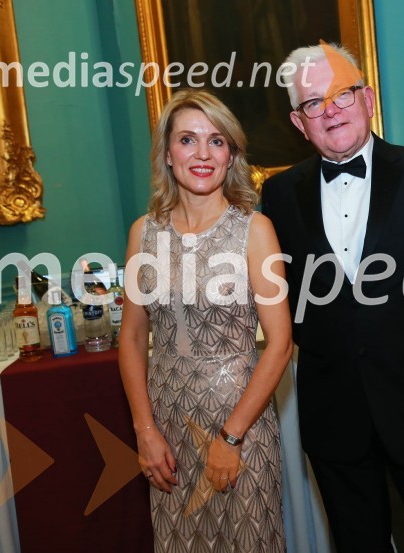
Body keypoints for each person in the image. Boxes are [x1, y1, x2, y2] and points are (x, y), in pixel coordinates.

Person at [260, 43, 404, 552]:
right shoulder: (279, 196)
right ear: (299, 121)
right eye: (314, 103)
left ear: (368, 98)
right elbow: (280, 300)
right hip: (334, 413)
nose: (330, 110)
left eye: (342, 94)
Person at [119, 89, 293, 553]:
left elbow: (280, 344)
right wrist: (144, 430)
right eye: (188, 140)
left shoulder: (255, 230)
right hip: (166, 430)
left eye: (216, 141)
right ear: (167, 153)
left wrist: (231, 437)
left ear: (231, 155)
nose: (202, 154)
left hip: (240, 423)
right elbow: (133, 336)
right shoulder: (143, 232)